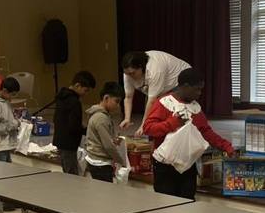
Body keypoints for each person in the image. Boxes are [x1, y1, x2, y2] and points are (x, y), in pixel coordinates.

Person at [143, 68, 234, 200]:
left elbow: (206, 132)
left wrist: (226, 146)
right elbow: (149, 128)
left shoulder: (195, 107)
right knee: (165, 205)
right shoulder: (164, 103)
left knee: (188, 203)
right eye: (197, 89)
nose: (199, 93)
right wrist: (171, 123)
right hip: (165, 166)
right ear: (185, 86)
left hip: (188, 165)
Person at [120, 50, 190, 136]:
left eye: (133, 73)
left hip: (179, 79)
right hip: (162, 83)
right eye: (127, 73)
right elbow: (128, 97)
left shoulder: (155, 70)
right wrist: (127, 118)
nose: (130, 76)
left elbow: (152, 100)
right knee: (155, 113)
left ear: (141, 67)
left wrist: (143, 125)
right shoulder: (128, 74)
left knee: (173, 114)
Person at [53, 70, 96, 174]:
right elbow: (74, 126)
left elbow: (56, 119)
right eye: (86, 90)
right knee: (71, 174)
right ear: (77, 85)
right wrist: (87, 131)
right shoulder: (74, 102)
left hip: (60, 140)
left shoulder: (61, 97)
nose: (86, 94)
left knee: (67, 169)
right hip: (69, 143)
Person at [84, 82, 125, 183]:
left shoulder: (101, 115)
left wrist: (114, 140)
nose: (118, 105)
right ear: (106, 98)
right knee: (105, 195)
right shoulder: (101, 118)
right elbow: (108, 146)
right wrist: (121, 161)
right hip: (100, 163)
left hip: (96, 160)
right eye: (116, 101)